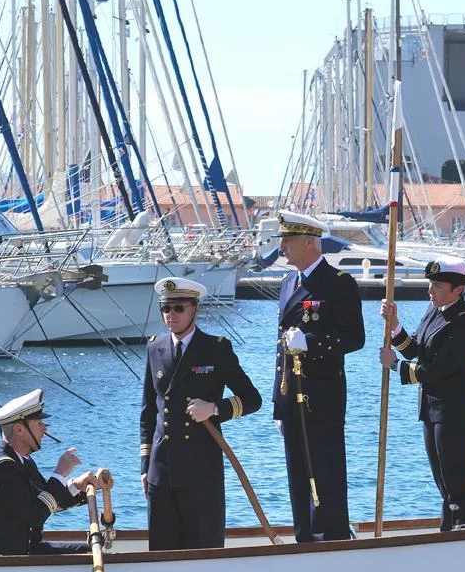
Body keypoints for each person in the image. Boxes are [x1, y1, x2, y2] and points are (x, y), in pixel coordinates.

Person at [141, 276, 262, 550]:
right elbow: (149, 410)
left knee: (203, 547)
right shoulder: (154, 347)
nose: (171, 315)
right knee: (161, 549)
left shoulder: (215, 348)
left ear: (195, 308)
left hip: (200, 468)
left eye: (178, 308)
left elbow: (253, 399)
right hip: (162, 468)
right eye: (165, 308)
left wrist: (215, 409)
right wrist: (144, 467)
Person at [273, 211, 365, 542]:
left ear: (310, 242)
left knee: (324, 470)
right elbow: (281, 350)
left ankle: (333, 535)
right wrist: (277, 403)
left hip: (321, 396)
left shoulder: (338, 283)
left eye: (288, 240)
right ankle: (304, 537)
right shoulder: (287, 283)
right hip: (292, 395)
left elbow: (355, 337)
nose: (282, 246)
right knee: (297, 473)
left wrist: (310, 343)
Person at [379, 256, 465, 531]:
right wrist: (395, 325)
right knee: (441, 477)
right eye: (430, 284)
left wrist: (396, 366)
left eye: (437, 286)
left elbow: (437, 369)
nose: (430, 291)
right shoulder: (435, 310)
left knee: (456, 475)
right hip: (431, 408)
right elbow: (416, 349)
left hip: (454, 410)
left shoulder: (463, 323)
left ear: (457, 290)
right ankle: (448, 527)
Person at [0, 389, 102, 556]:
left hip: (22, 551)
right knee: (86, 556)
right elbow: (36, 515)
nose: (45, 429)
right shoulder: (2, 468)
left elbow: (47, 503)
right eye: (39, 424)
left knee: (89, 550)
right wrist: (59, 473)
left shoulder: (23, 461)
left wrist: (78, 485)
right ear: (19, 429)